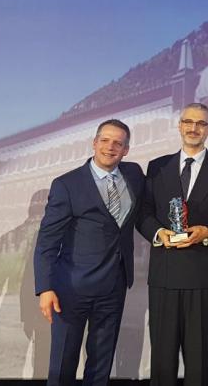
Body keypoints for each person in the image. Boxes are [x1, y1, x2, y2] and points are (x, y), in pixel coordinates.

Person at [33, 119, 145, 385]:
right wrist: (45, 288)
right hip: (71, 289)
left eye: (118, 143)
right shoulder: (67, 184)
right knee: (63, 364)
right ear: (94, 143)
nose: (110, 147)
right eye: (105, 140)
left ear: (126, 150)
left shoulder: (134, 175)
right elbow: (48, 239)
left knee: (100, 366)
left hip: (113, 287)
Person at [137, 103, 208, 386]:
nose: (194, 128)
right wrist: (159, 232)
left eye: (201, 123)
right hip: (164, 274)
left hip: (201, 274)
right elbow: (143, 212)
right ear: (179, 125)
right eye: (188, 122)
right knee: (162, 357)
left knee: (198, 356)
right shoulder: (157, 167)